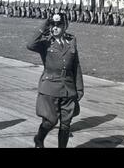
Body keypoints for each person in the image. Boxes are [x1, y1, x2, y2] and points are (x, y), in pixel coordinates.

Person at [27, 13, 84, 148]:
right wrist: (45, 25)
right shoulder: (45, 42)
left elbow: (76, 65)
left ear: (65, 26)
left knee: (66, 124)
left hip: (68, 88)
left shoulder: (71, 41)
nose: (55, 28)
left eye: (59, 25)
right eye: (53, 25)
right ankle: (39, 139)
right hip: (50, 87)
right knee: (50, 121)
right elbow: (30, 44)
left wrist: (79, 87)